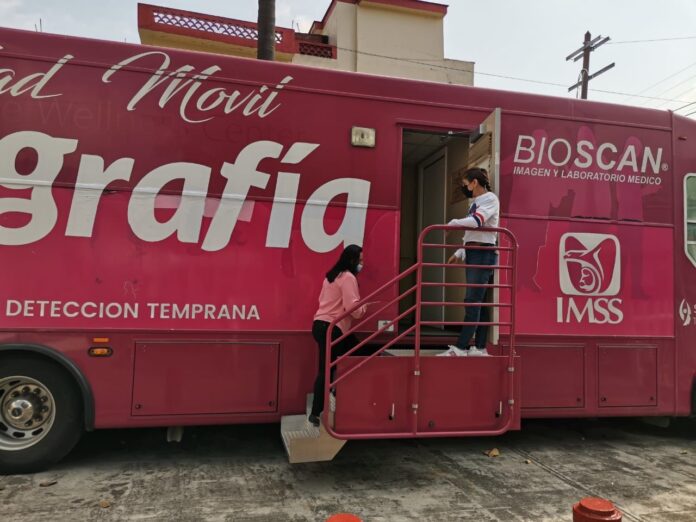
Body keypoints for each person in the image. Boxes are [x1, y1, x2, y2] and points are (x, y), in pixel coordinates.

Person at [440, 167, 500, 357]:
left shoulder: (490, 199)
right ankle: (479, 347)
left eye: (466, 185)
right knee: (478, 301)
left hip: (482, 253)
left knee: (472, 300)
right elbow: (472, 233)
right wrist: (460, 252)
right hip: (475, 252)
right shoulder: (476, 202)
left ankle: (461, 347)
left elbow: (476, 222)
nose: (465, 188)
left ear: (474, 183)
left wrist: (452, 223)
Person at [309, 244, 367, 426]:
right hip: (333, 328)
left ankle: (319, 409)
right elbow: (352, 308)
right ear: (352, 260)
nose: (362, 264)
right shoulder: (348, 277)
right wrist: (363, 308)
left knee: (326, 368)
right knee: (357, 356)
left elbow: (322, 300)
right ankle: (323, 406)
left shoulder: (331, 276)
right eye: (360, 260)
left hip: (320, 325)